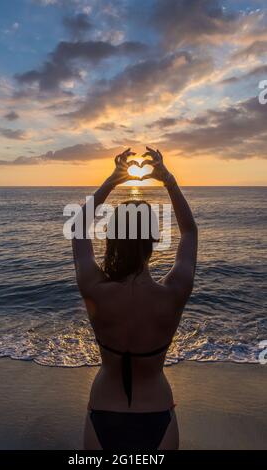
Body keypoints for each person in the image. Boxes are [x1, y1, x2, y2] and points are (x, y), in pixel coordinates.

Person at [72, 147, 198, 450]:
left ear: (112, 236)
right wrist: (168, 180)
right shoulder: (173, 292)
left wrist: (112, 180)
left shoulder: (95, 289)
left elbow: (77, 229)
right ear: (153, 240)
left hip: (103, 411)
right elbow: (190, 233)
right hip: (157, 415)